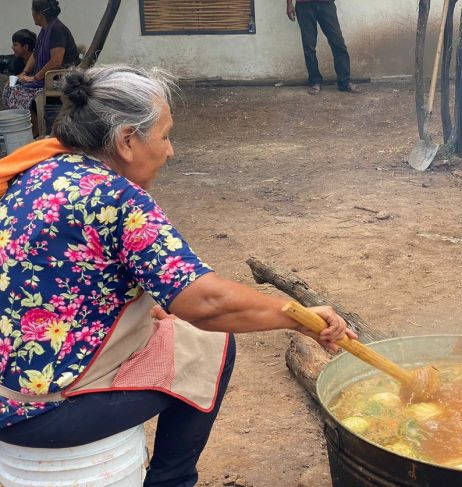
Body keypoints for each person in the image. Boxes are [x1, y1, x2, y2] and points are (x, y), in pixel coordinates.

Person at [0, 65, 357, 487]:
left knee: (164, 320)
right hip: (42, 412)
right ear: (127, 140)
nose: (170, 151)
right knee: (208, 341)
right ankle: (173, 480)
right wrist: (301, 318)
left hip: (14, 384)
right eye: (165, 135)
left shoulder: (37, 172)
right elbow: (206, 303)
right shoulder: (117, 198)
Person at [2, 0, 79, 136]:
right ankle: (27, 127)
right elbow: (35, 55)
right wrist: (24, 73)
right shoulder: (45, 30)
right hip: (46, 77)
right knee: (11, 87)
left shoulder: (57, 29)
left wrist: (34, 78)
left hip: (59, 78)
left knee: (19, 92)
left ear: (39, 14)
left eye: (32, 10)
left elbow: (56, 61)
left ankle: (35, 129)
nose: (31, 14)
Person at [286, 0, 361, 95]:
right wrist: (289, 3)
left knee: (338, 43)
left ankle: (344, 82)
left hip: (326, 4)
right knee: (309, 46)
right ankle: (315, 82)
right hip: (303, 5)